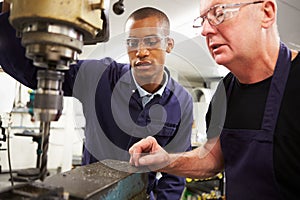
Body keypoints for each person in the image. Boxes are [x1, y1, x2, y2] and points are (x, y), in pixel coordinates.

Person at [0, 3, 194, 200]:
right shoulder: (97, 76)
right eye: (132, 43)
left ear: (169, 44)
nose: (141, 51)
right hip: (89, 193)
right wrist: (7, 12)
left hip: (141, 194)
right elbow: (33, 73)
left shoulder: (182, 101)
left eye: (151, 41)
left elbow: (175, 173)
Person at [129, 0, 300, 199]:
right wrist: (165, 161)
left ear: (266, 12)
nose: (205, 30)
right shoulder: (225, 91)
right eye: (203, 20)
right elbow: (212, 157)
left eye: (219, 13)